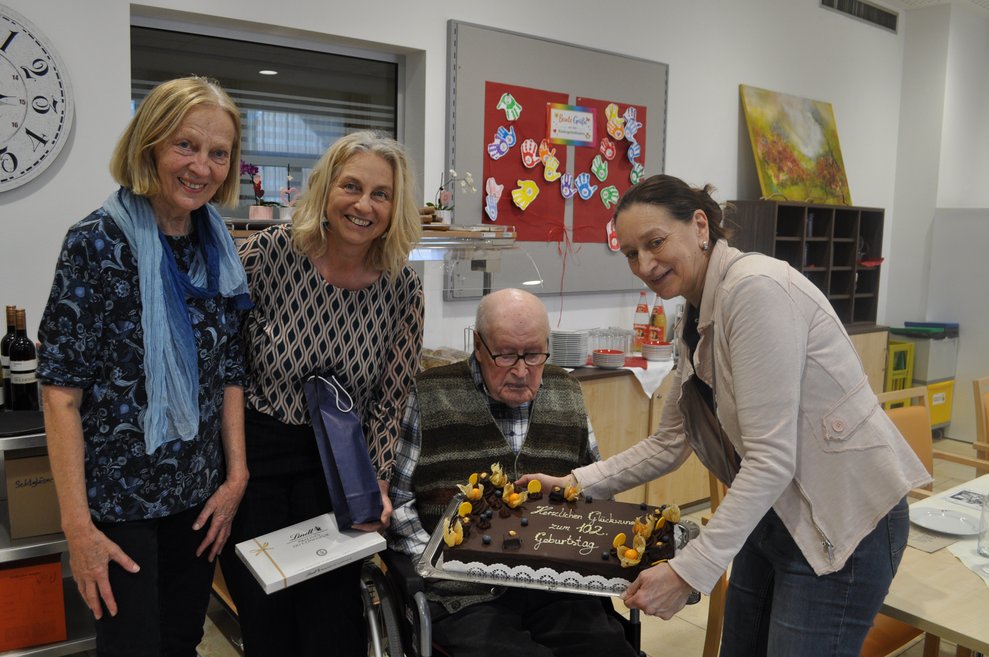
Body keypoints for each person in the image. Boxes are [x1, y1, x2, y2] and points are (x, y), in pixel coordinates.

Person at [519, 175, 931, 657]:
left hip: (842, 520)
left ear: (699, 226)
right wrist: (574, 485)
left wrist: (688, 570)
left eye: (655, 243)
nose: (646, 265)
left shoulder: (755, 291)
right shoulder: (693, 313)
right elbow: (670, 443)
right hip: (773, 515)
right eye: (631, 253)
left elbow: (772, 459)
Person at [37, 76, 251, 656]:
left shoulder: (217, 246)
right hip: (118, 506)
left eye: (218, 152)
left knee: (183, 642)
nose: (201, 167)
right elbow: (60, 395)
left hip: (197, 499)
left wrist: (235, 478)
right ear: (149, 143)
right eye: (186, 145)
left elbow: (231, 369)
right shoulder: (97, 243)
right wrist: (77, 528)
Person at [219, 130, 424, 657]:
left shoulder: (402, 285)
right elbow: (227, 371)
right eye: (351, 186)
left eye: (382, 194)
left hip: (338, 465)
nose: (364, 205)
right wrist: (234, 471)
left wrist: (374, 481)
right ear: (324, 188)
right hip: (256, 458)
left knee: (332, 624)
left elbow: (389, 397)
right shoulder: (268, 255)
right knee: (268, 622)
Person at [388, 288, 638, 657]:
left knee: (608, 649)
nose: (522, 371)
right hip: (465, 594)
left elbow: (595, 491)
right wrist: (437, 561)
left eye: (534, 354)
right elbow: (399, 503)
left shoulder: (566, 391)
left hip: (555, 588)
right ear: (478, 344)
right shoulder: (430, 396)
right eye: (505, 355)